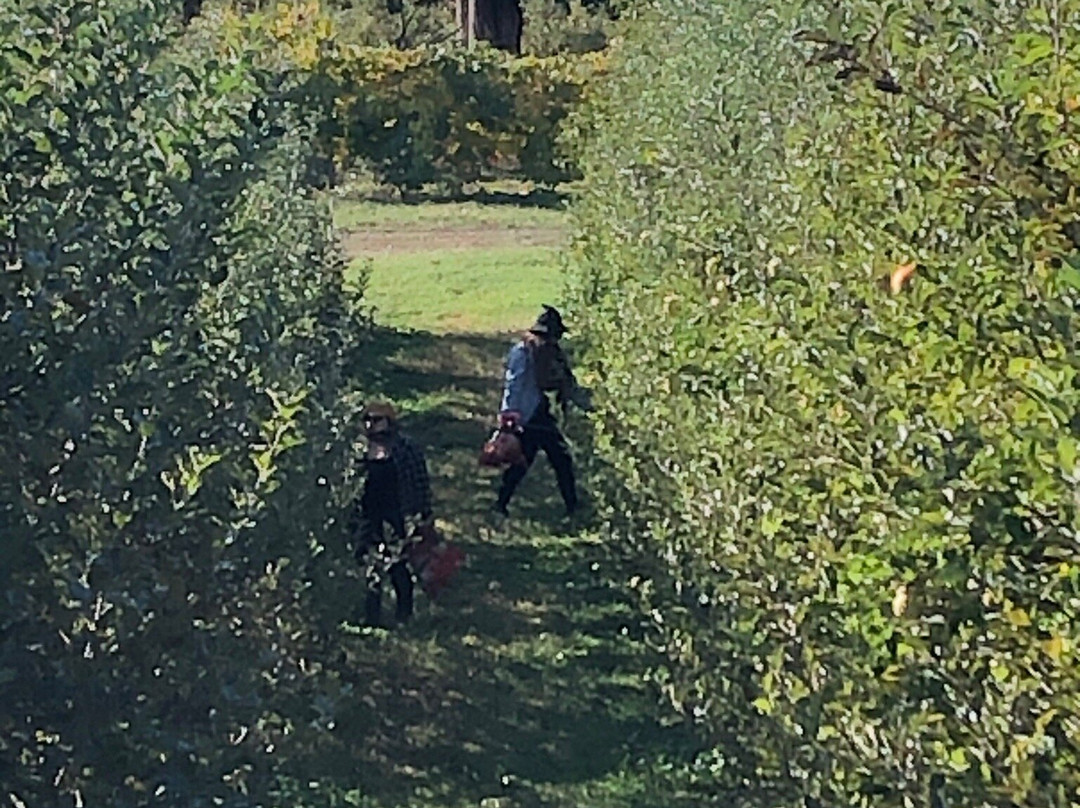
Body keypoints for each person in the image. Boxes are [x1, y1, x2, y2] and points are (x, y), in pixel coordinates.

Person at [492, 305, 588, 519]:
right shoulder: (543, 352)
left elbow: (513, 384)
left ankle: (501, 503)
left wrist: (508, 415)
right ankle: (572, 505)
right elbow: (517, 384)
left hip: (530, 415)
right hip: (536, 415)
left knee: (526, 460)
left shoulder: (523, 350)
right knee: (559, 460)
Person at [348, 402, 433, 627]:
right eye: (366, 419)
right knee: (367, 564)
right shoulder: (358, 450)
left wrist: (421, 516)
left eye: (376, 419)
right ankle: (371, 617)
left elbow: (419, 482)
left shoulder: (405, 448)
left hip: (397, 513)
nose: (370, 424)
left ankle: (404, 612)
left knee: (398, 564)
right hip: (366, 517)